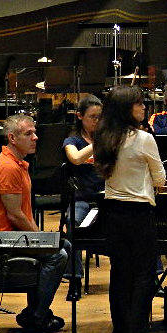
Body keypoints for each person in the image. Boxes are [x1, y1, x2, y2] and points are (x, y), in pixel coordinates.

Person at [94, 85, 166, 333]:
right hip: (138, 213)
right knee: (144, 277)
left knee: (120, 276)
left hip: (112, 212)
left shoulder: (103, 137)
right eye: (139, 104)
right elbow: (159, 179)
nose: (144, 107)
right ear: (128, 108)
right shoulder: (144, 138)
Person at [0, 114, 70, 333]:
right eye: (28, 133)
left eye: (35, 132)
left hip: (12, 234)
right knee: (59, 255)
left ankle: (34, 311)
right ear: (12, 137)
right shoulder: (8, 167)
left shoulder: (18, 163)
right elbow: (15, 216)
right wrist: (42, 239)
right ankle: (37, 317)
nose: (35, 137)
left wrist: (43, 239)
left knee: (64, 246)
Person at [62, 95, 104, 301]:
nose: (97, 121)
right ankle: (74, 280)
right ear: (80, 116)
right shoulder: (72, 141)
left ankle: (152, 279)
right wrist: (99, 142)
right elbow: (76, 158)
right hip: (83, 199)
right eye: (92, 117)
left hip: (107, 198)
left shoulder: (109, 139)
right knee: (72, 222)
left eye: (100, 117)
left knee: (138, 219)